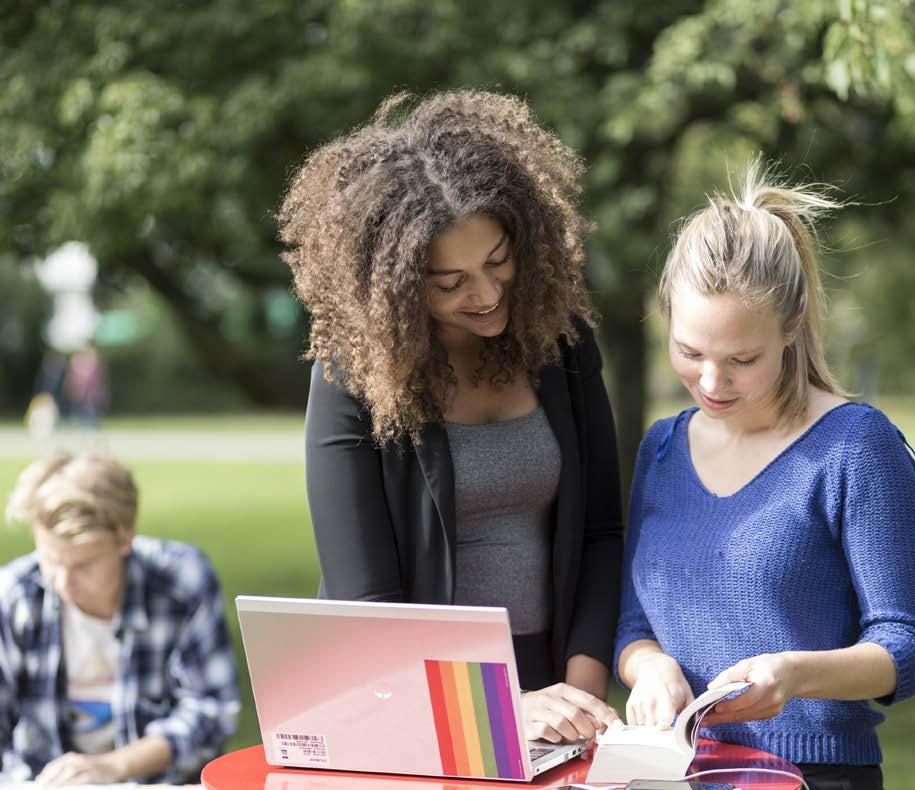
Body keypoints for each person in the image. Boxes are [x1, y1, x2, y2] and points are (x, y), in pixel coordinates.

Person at [278, 90, 623, 744]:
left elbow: (602, 530)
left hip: (555, 686)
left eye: (498, 262)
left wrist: (581, 695)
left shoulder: (562, 341)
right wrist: (499, 711)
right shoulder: (350, 376)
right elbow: (364, 603)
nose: (488, 294)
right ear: (398, 283)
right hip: (404, 695)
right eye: (450, 282)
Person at [615, 163, 915, 790]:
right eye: (690, 352)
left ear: (791, 326)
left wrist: (793, 675)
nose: (711, 382)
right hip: (671, 772)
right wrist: (649, 668)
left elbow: (906, 648)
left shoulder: (855, 446)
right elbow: (634, 628)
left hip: (811, 774)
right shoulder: (660, 449)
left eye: (741, 359)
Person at [0, 453, 240, 785]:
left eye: (83, 565)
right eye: (51, 560)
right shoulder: (15, 594)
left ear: (126, 537)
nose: (64, 583)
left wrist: (114, 766)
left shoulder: (182, 582)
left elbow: (210, 711)